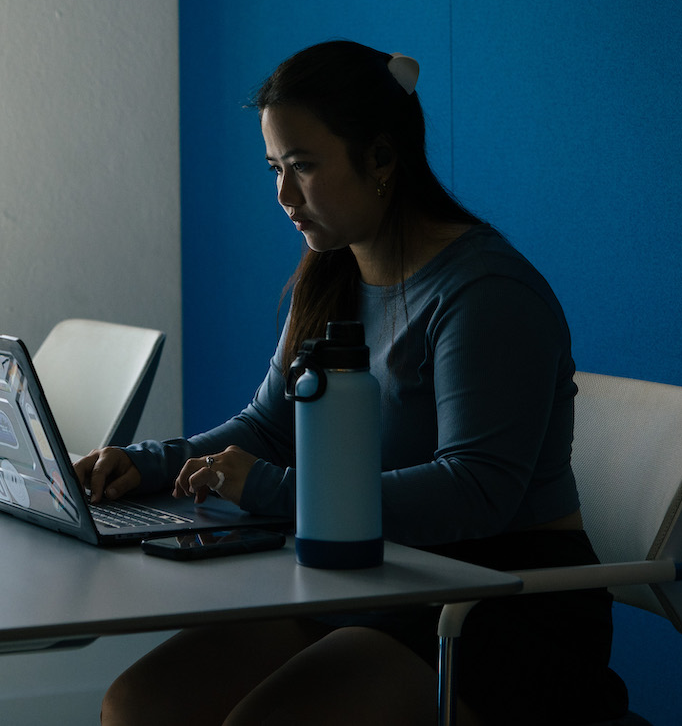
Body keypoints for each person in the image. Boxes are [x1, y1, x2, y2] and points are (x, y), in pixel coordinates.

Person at [74, 40, 630, 726]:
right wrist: (149, 462)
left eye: (304, 167)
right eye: (275, 168)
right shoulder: (333, 269)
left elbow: (477, 490)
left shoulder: (486, 292)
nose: (283, 196)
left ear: (382, 158)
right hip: (381, 575)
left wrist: (274, 489)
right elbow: (271, 425)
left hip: (504, 597)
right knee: (139, 705)